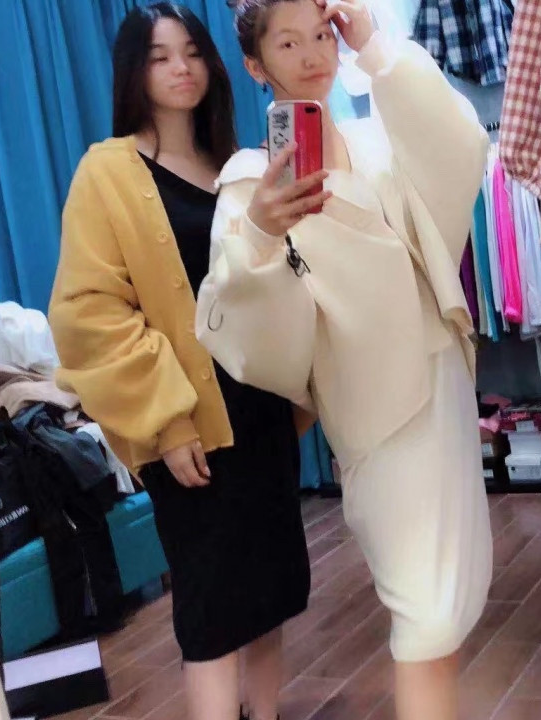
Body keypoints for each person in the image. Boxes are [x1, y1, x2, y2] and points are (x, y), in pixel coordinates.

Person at [196, 1, 493, 718]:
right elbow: (247, 330)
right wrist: (260, 235)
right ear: (255, 65)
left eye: (321, 35)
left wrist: (376, 49)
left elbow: (460, 152)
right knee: (424, 612)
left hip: (441, 376)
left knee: (449, 608)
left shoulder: (375, 139)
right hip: (372, 405)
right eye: (287, 44)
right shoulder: (249, 180)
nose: (312, 56)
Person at [48, 5, 310, 720]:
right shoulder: (107, 172)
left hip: (259, 407)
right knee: (211, 606)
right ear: (133, 70)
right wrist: (166, 421)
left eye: (192, 51)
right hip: (189, 421)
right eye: (160, 56)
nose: (181, 68)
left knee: (272, 588)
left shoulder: (236, 164)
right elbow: (89, 312)